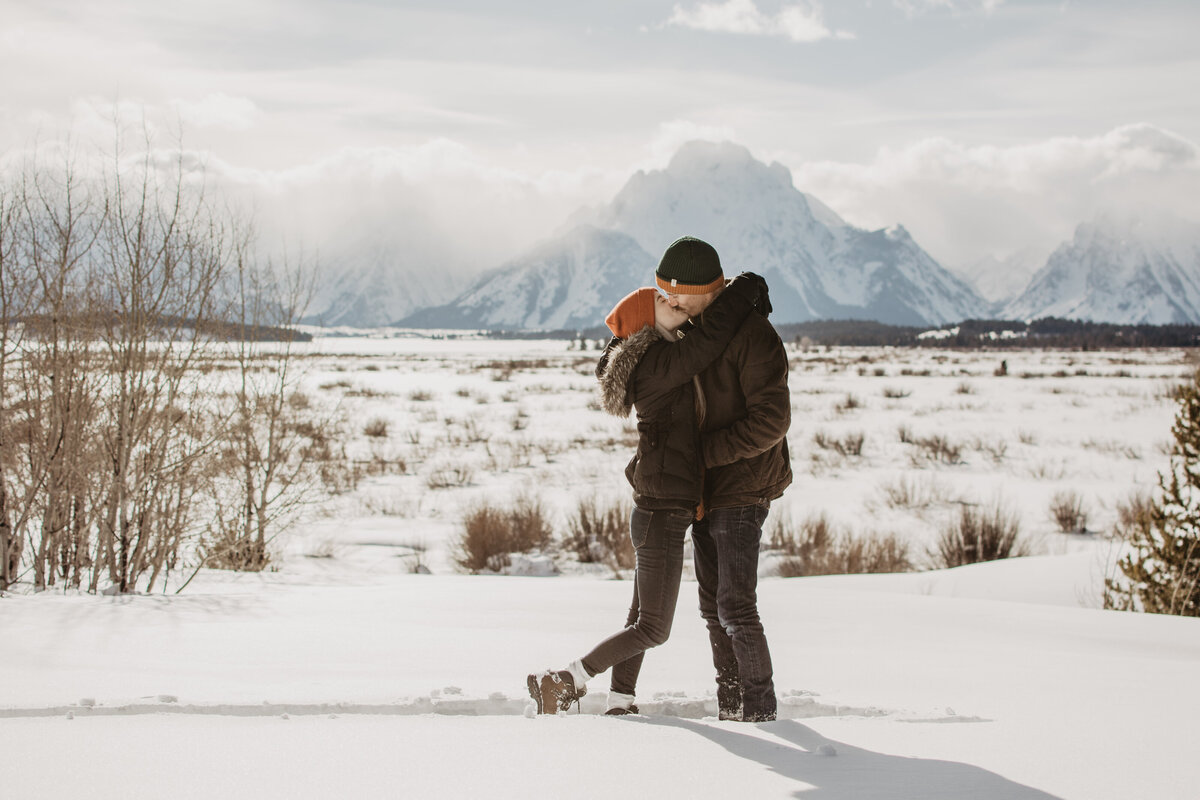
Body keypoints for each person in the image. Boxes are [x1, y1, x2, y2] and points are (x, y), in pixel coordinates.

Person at [526, 269, 768, 715]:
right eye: (663, 303)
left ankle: (619, 702)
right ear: (645, 324)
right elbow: (710, 340)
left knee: (640, 618)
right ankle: (564, 680)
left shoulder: (660, 356)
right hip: (660, 510)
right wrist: (743, 290)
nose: (675, 304)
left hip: (662, 506)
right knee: (655, 628)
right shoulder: (658, 364)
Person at [656, 236, 792, 723]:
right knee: (712, 607)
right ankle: (731, 708)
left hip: (744, 484)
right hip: (705, 487)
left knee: (736, 606)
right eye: (662, 291)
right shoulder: (691, 331)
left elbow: (772, 421)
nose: (668, 301)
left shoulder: (753, 336)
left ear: (706, 289)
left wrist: (702, 455)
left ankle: (759, 712)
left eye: (676, 293)